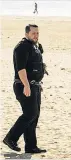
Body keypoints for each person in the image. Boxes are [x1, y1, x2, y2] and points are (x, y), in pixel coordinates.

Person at [3, 24, 47, 154]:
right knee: (30, 113)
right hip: (23, 85)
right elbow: (21, 69)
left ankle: (31, 146)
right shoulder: (21, 47)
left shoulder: (36, 46)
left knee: (34, 115)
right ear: (27, 33)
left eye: (37, 33)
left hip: (35, 85)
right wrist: (27, 85)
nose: (36, 35)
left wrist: (38, 83)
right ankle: (11, 138)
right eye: (33, 33)